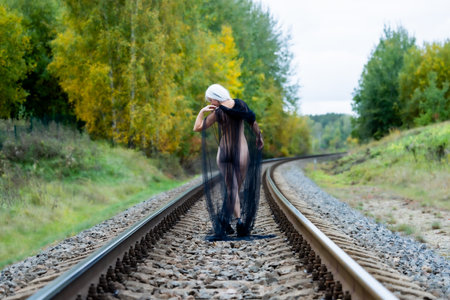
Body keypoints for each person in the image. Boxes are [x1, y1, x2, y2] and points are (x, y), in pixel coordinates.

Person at [193, 84, 263, 238]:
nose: (210, 102)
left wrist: (201, 112)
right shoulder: (241, 105)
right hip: (241, 151)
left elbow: (197, 127)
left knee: (232, 189)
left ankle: (233, 220)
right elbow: (253, 123)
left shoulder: (218, 113)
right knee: (236, 188)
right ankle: (235, 222)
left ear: (214, 97)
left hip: (224, 153)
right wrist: (259, 137)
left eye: (210, 99)